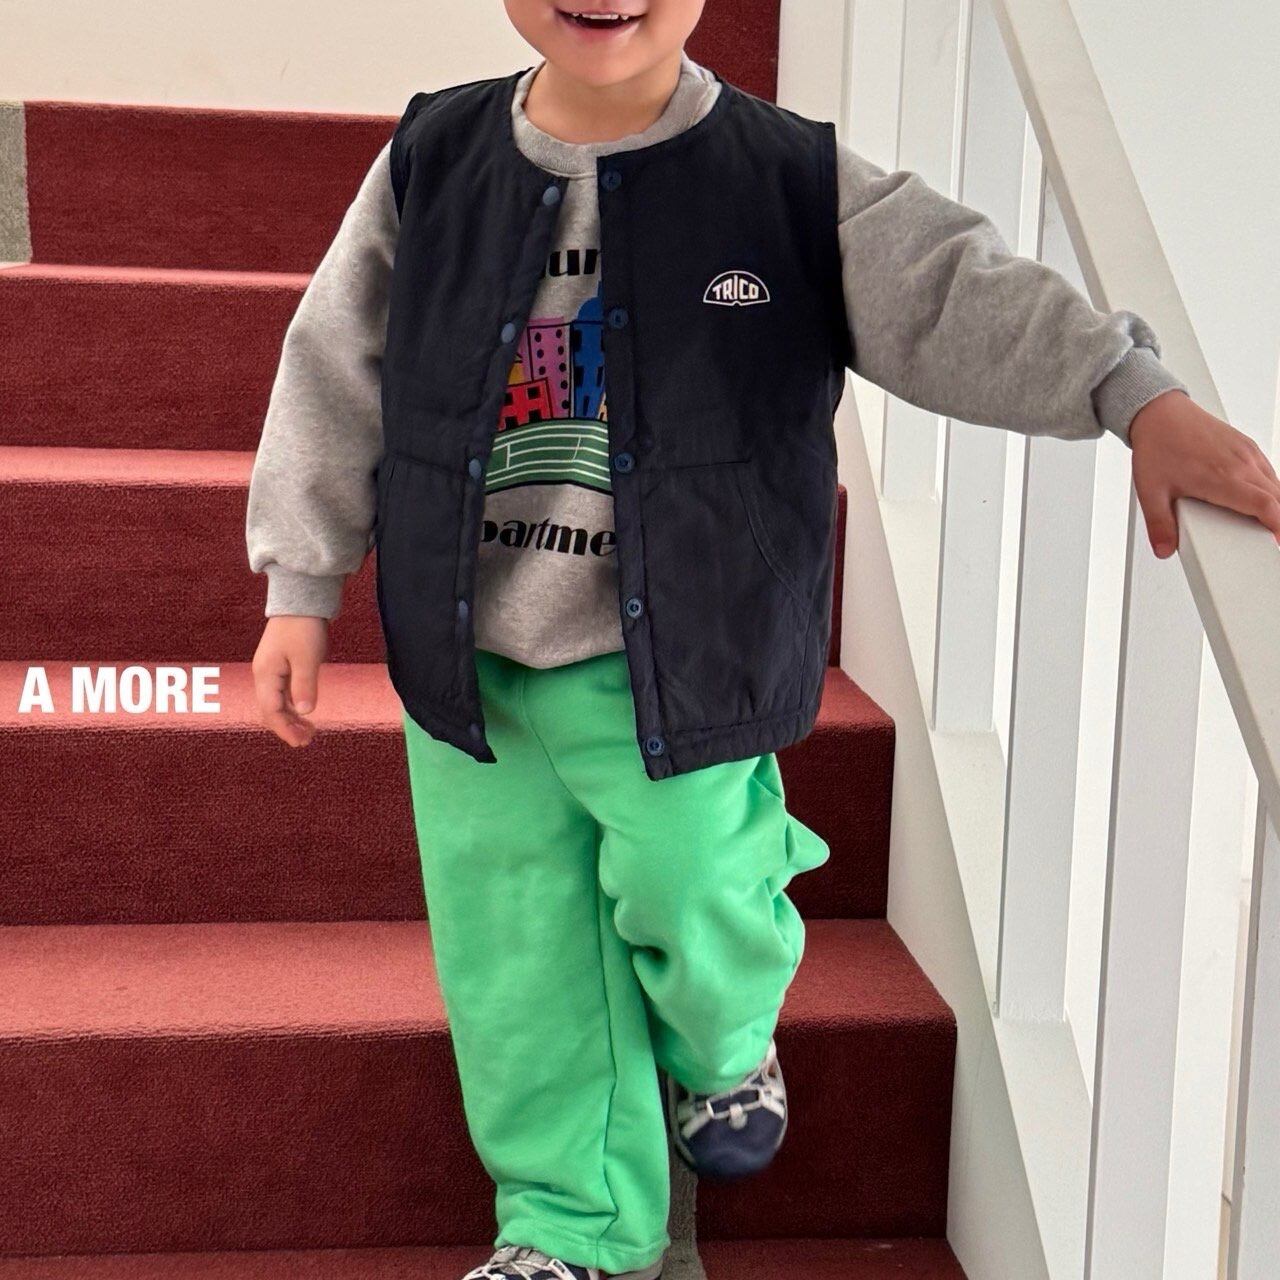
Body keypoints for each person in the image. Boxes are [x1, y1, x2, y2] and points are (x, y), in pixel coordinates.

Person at [245, 3, 1280, 1277]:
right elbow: (333, 362)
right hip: (473, 661)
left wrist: (1128, 394)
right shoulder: (430, 159)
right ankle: (572, 1224)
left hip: (682, 651)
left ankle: (726, 1039)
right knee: (518, 961)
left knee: (696, 887)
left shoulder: (786, 179)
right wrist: (301, 582)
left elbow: (950, 287)